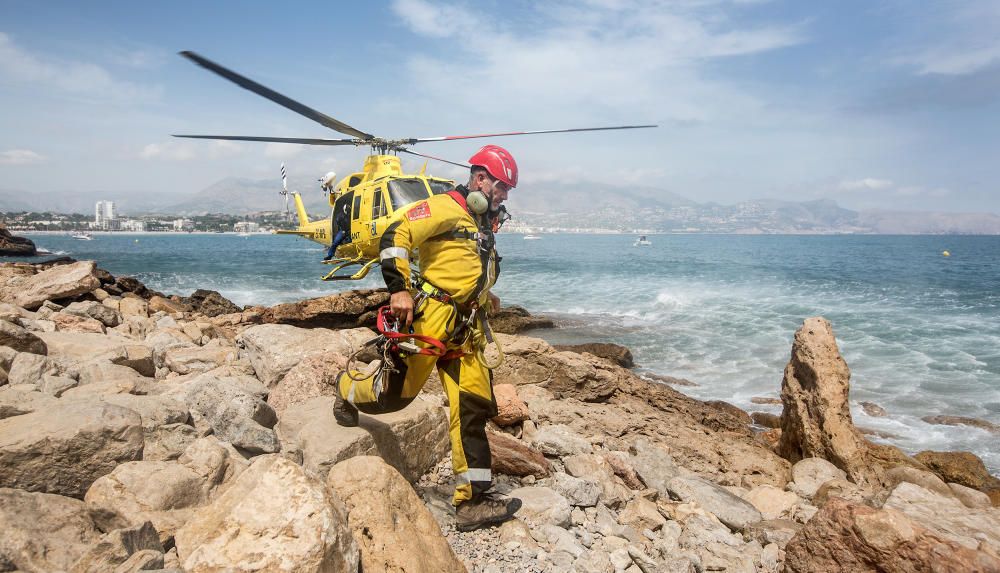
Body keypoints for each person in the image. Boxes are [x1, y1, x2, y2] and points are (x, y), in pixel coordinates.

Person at [333, 144, 521, 532]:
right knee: (393, 398)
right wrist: (399, 288)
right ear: (480, 178)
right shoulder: (442, 206)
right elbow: (395, 234)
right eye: (501, 187)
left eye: (507, 191)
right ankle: (345, 389)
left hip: (466, 327)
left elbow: (467, 262)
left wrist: (485, 294)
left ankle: (471, 503)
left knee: (472, 409)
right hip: (431, 319)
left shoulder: (480, 219)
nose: (503, 196)